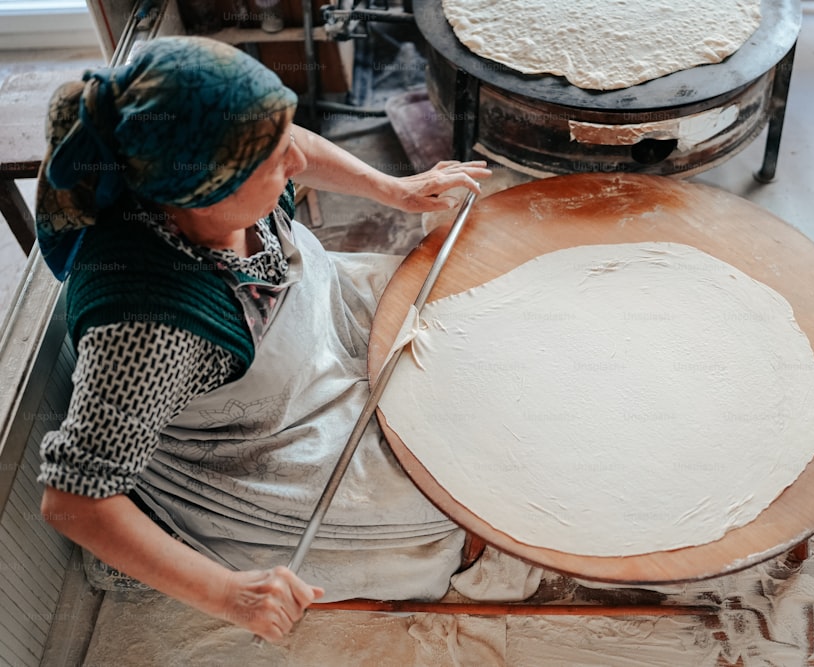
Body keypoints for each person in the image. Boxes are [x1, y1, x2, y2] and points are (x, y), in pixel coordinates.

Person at [34, 35, 490, 643]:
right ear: (208, 191)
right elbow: (76, 502)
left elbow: (290, 142)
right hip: (264, 436)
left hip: (316, 318)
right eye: (274, 163)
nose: (295, 163)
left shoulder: (217, 167)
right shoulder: (147, 328)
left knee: (469, 319)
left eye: (283, 138)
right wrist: (228, 594)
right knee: (455, 502)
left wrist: (394, 189)